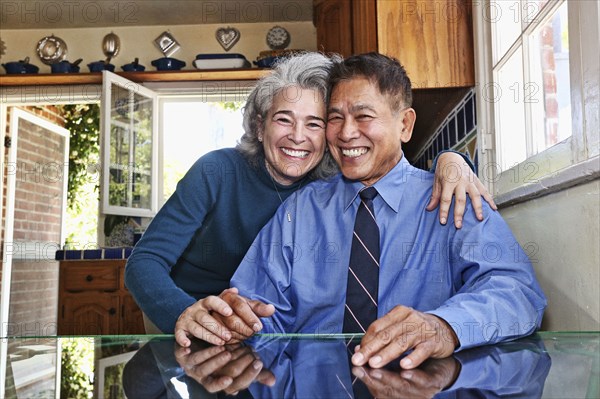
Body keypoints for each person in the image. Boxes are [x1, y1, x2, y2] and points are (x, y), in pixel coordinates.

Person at [204, 53, 546, 370]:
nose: (347, 132)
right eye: (335, 118)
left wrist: (445, 326)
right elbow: (256, 309)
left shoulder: (453, 195)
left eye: (364, 116)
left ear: (405, 125)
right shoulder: (299, 210)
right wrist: (228, 320)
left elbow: (518, 294)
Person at [125, 52, 493, 340]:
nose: (298, 137)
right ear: (259, 124)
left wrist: (453, 160)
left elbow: (393, 164)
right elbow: (145, 262)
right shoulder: (216, 171)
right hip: (183, 309)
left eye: (315, 123)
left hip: (251, 328)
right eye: (284, 119)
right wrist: (183, 313)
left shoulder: (333, 182)